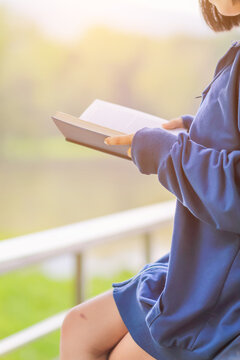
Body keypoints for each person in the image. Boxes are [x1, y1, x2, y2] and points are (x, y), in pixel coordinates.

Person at [60, 1, 240, 359]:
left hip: (223, 280)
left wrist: (167, 152)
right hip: (202, 256)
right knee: (78, 323)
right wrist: (196, 129)